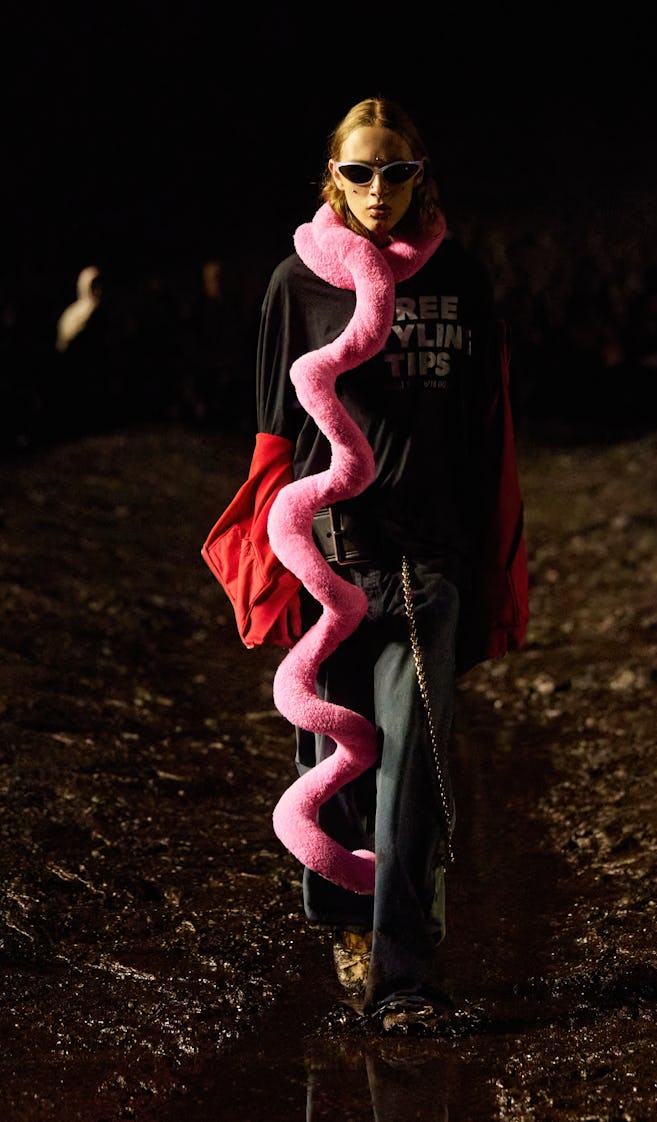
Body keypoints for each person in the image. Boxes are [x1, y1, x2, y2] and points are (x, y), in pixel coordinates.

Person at [204, 96, 528, 1034]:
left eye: (395, 171)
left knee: (414, 768)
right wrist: (266, 563)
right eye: (358, 173)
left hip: (429, 565)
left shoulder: (462, 279)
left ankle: (404, 979)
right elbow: (273, 436)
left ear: (422, 174)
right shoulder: (292, 286)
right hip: (327, 562)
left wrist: (490, 566)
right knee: (334, 757)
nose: (377, 191)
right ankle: (344, 920)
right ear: (331, 180)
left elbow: (485, 434)